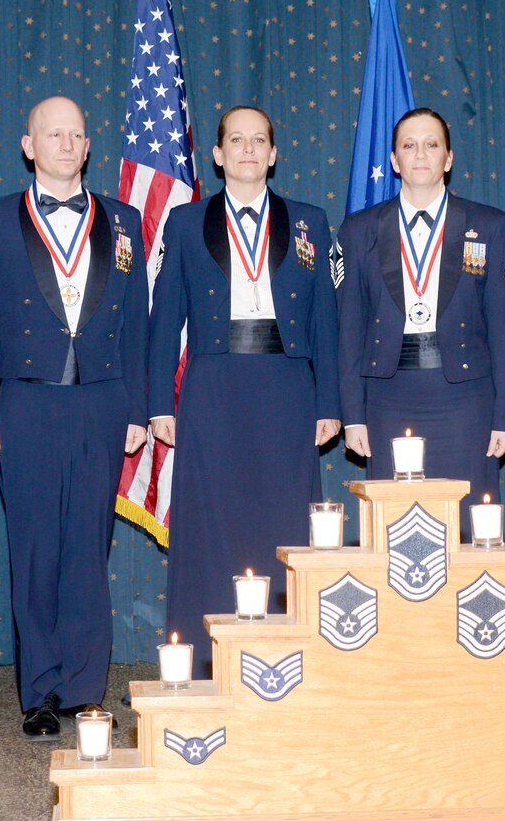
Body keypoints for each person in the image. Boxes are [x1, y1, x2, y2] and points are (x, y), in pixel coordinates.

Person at [0, 96, 148, 741]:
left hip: (101, 404)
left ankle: (85, 687)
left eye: (76, 134)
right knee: (34, 549)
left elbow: (139, 326)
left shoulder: (122, 222)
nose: (65, 144)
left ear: (88, 146)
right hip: (26, 404)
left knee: (90, 551)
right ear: (28, 145)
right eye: (52, 134)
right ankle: (38, 689)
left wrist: (139, 408)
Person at [147, 105, 341, 671]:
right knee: (210, 523)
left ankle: (286, 656)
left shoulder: (310, 221)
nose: (248, 150)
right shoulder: (185, 223)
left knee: (285, 522)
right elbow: (164, 321)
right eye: (237, 140)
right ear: (217, 153)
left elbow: (327, 319)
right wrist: (161, 401)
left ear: (274, 154)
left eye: (260, 140)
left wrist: (328, 402)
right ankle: (204, 661)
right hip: (213, 384)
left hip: (286, 386)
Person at [335, 108, 505, 494]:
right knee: (394, 525)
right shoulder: (359, 230)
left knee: (466, 526)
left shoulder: (491, 226)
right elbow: (348, 330)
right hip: (387, 397)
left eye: (431, 145)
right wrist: (352, 416)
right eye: (409, 145)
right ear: (394, 160)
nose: (420, 155)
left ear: (448, 158)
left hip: (466, 399)